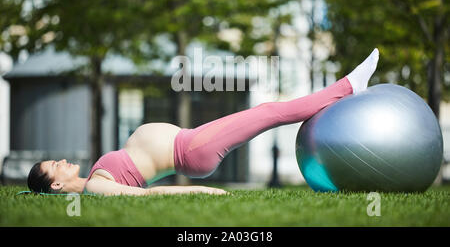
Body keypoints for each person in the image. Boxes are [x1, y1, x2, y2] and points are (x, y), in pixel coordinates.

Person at [27, 48, 380, 196]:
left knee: (269, 111)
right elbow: (150, 196)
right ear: (57, 185)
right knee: (269, 111)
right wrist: (203, 191)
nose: (60, 161)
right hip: (192, 149)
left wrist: (30, 190)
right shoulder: (95, 188)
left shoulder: (93, 176)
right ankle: (347, 87)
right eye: (54, 167)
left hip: (191, 141)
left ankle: (342, 90)